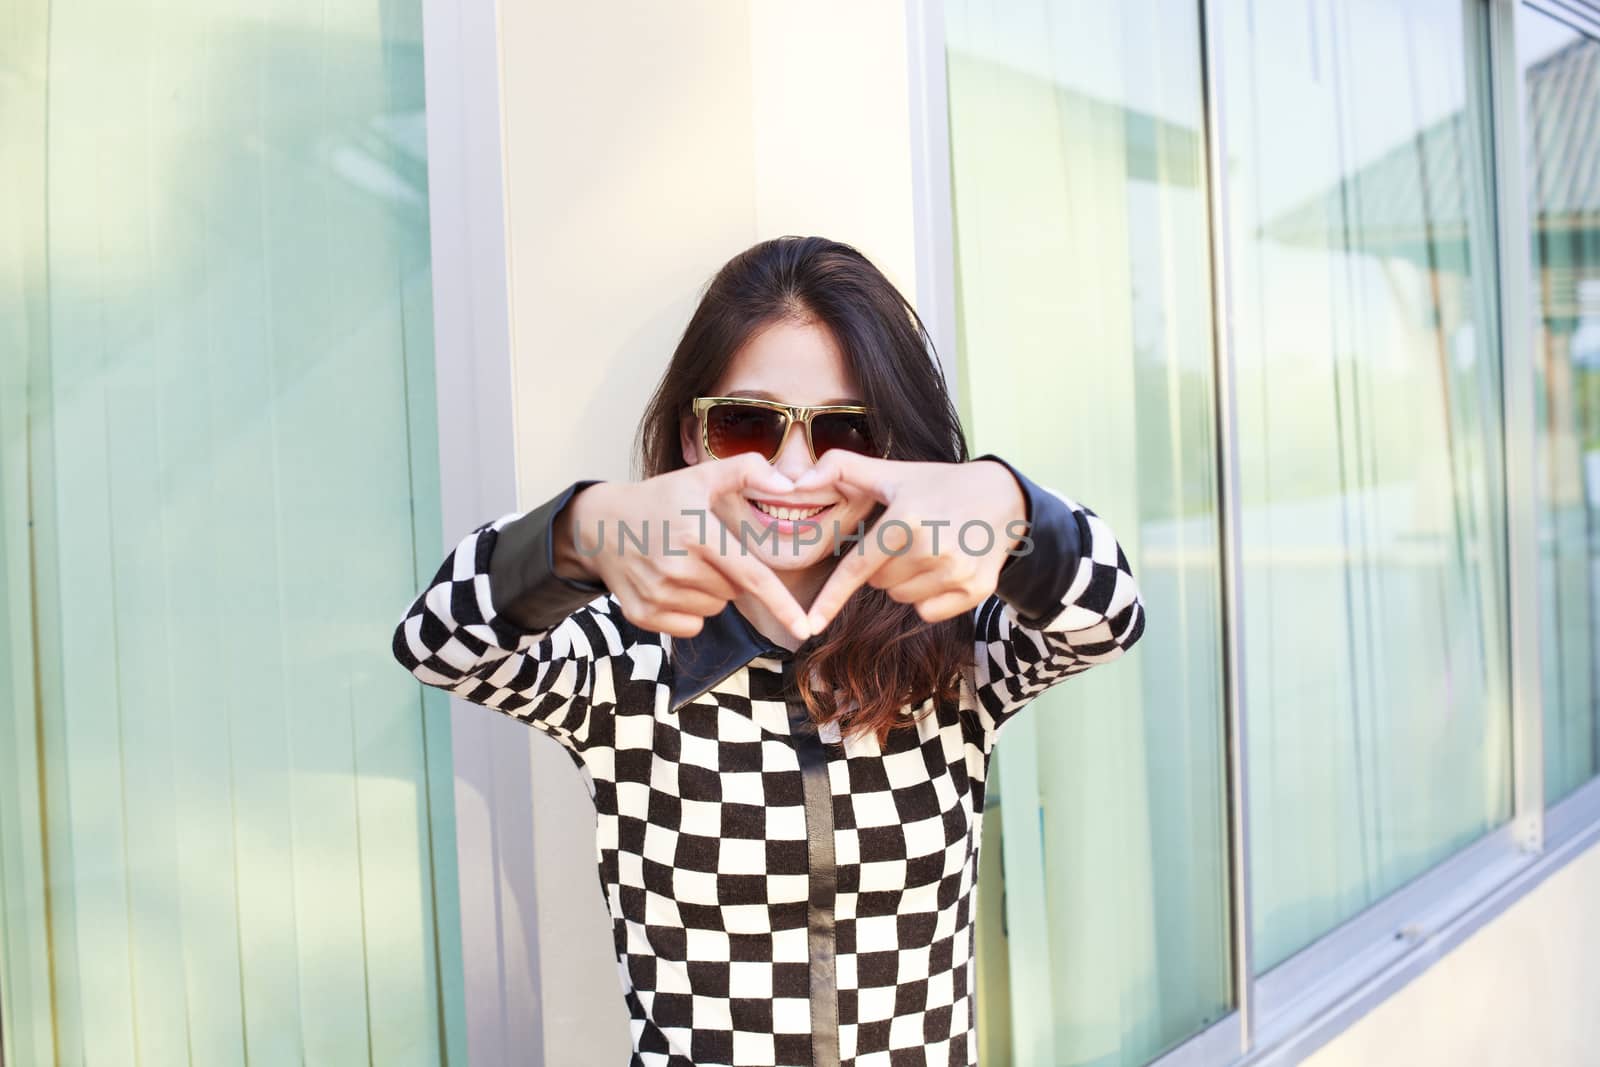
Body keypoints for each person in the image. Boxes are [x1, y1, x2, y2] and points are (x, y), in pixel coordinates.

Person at [391, 235, 1146, 1067]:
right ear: (691, 436)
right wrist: (581, 530)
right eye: (747, 424)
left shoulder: (953, 649)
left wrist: (1007, 505)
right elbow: (437, 641)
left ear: (889, 450)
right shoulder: (619, 661)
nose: (791, 471)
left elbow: (1109, 616)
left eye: (842, 432)